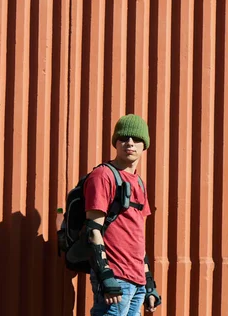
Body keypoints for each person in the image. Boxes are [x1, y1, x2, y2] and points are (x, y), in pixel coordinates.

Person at [84, 114, 161, 315]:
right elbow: (93, 231)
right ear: (115, 143)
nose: (130, 143)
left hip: (137, 282)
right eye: (124, 138)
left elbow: (137, 236)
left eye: (136, 139)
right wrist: (105, 275)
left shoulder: (139, 182)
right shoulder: (103, 176)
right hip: (115, 279)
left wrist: (149, 283)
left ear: (144, 145)